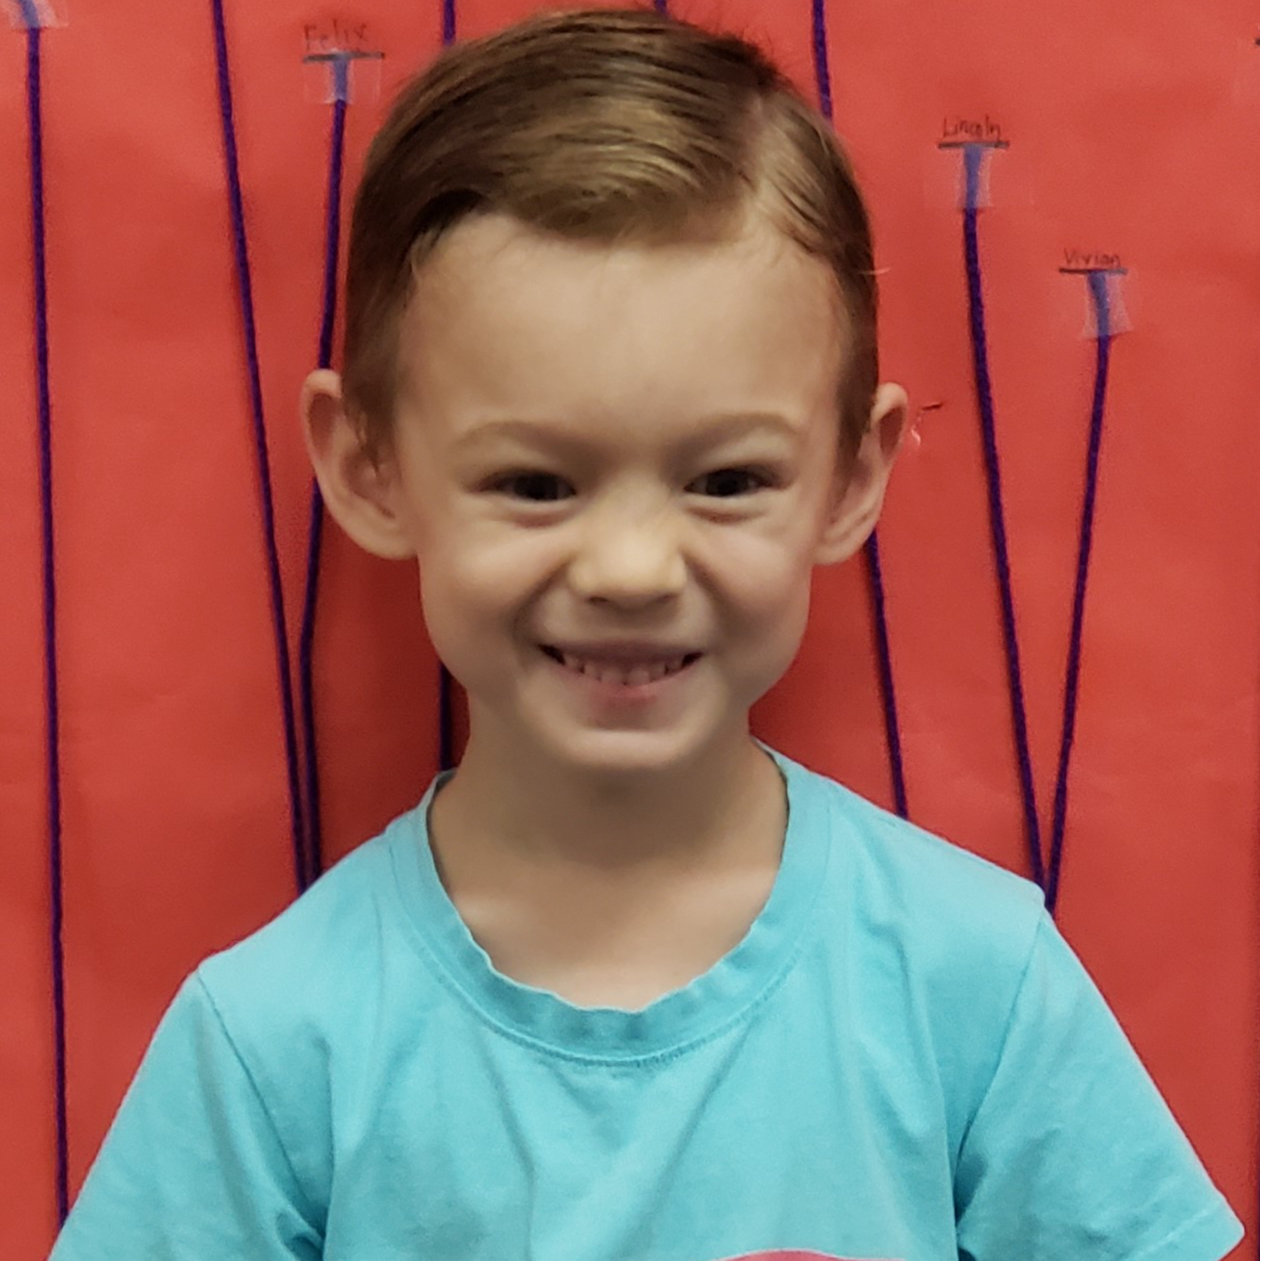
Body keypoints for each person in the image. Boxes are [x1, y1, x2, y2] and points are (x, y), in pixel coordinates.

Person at [50, 7, 1245, 1259]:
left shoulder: (975, 986)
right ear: (367, 466)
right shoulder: (272, 1046)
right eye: (534, 482)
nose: (629, 568)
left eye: (726, 479)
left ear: (850, 476)